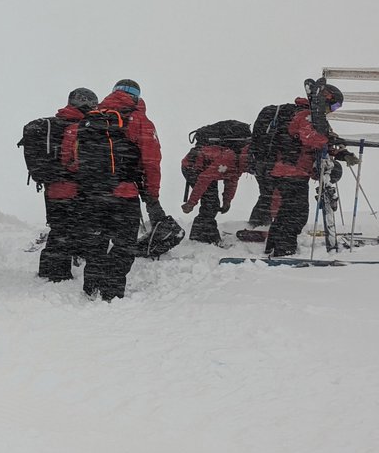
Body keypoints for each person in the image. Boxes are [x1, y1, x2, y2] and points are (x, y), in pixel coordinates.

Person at [76, 79, 163, 301]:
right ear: (136, 96)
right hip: (124, 194)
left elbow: (73, 158)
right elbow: (152, 162)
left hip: (93, 193)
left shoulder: (91, 118)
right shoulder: (139, 120)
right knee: (124, 244)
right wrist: (152, 196)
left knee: (97, 241)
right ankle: (111, 292)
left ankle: (91, 287)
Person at [263, 83, 358, 257]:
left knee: (287, 210)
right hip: (291, 171)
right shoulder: (306, 115)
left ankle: (273, 245)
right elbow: (311, 139)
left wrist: (341, 153)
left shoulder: (316, 118)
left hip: (291, 171)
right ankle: (284, 249)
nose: (333, 110)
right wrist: (329, 140)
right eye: (334, 106)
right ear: (326, 100)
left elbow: (323, 142)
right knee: (297, 213)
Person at [37, 87, 98, 282]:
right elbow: (72, 161)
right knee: (66, 230)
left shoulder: (58, 123)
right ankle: (58, 274)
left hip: (53, 187)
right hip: (70, 188)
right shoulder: (77, 127)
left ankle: (48, 270)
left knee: (59, 229)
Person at [181, 140, 248, 245]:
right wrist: (191, 203)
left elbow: (232, 181)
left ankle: (202, 235)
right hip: (192, 167)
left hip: (206, 168)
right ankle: (202, 237)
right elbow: (204, 179)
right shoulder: (228, 160)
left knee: (211, 203)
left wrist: (227, 201)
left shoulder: (239, 163)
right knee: (211, 204)